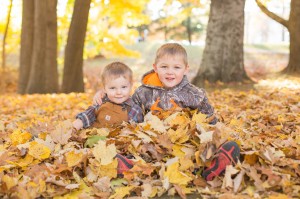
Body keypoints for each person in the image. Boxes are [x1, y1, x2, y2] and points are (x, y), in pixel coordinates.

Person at [93, 43, 240, 181]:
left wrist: (217, 135)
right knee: (139, 145)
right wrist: (105, 95)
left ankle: (211, 167)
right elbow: (127, 107)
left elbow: (210, 120)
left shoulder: (195, 94)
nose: (170, 72)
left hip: (185, 142)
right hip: (154, 141)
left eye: (176, 67)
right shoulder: (144, 92)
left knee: (201, 146)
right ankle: (132, 165)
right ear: (155, 68)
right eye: (164, 67)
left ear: (186, 69)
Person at [73, 61, 143, 177]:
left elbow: (136, 130)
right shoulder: (101, 103)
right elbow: (87, 115)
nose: (119, 92)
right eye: (112, 88)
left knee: (125, 148)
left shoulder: (134, 109)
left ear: (131, 86)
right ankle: (93, 164)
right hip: (96, 141)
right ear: (104, 88)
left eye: (124, 87)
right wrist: (75, 126)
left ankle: (121, 163)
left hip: (117, 143)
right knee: (90, 142)